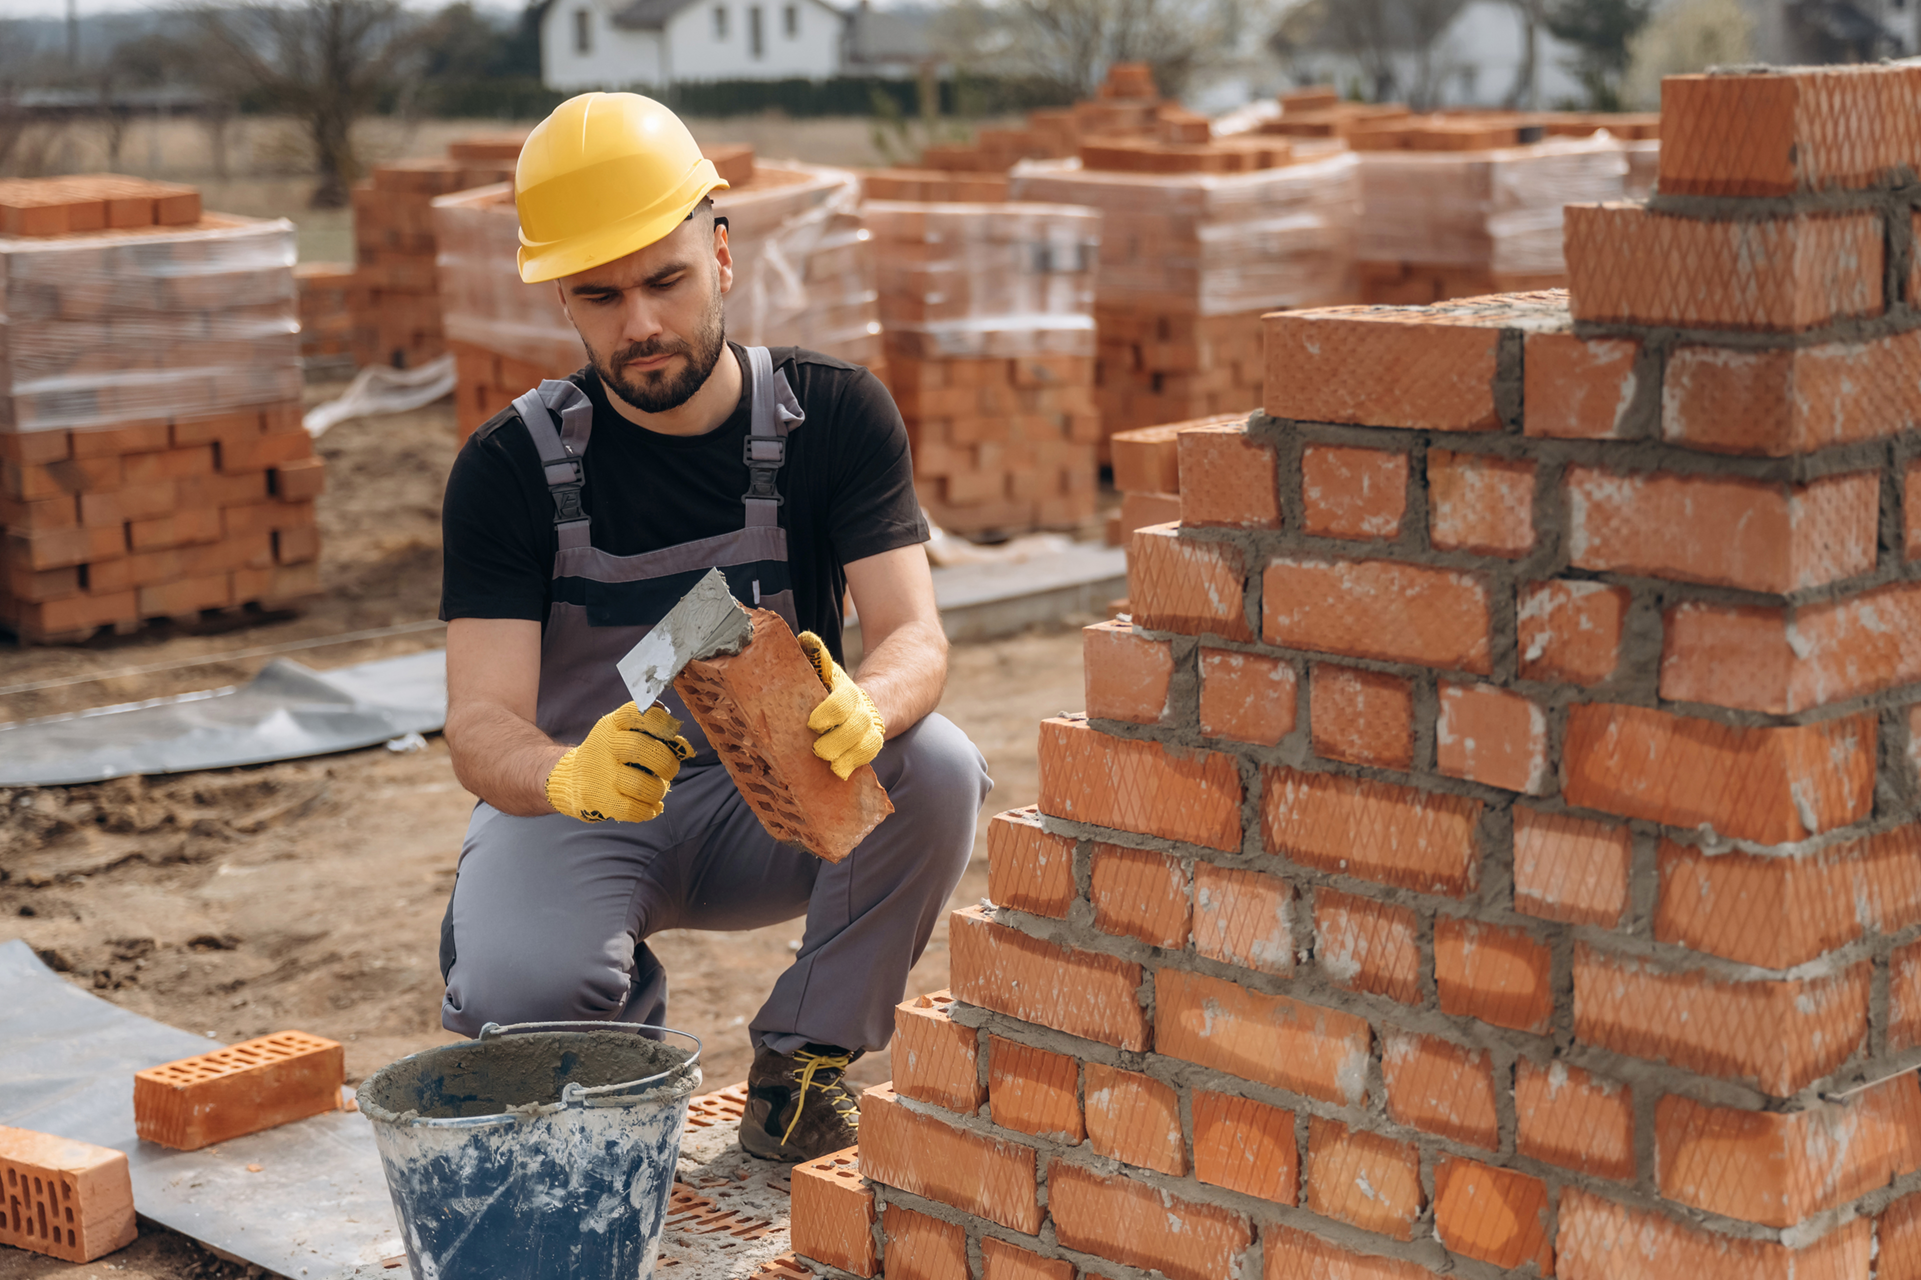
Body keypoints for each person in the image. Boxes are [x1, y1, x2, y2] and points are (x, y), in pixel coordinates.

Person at [434, 92, 991, 1162]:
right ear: (562, 298)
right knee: (522, 980)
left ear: (722, 256)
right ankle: (617, 1070)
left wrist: (865, 706)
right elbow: (477, 723)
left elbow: (915, 633)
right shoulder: (507, 470)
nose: (639, 322)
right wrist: (563, 776)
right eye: (600, 294)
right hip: (590, 809)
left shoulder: (833, 418)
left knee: (940, 766)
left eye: (665, 280)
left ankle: (803, 1058)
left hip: (775, 800)